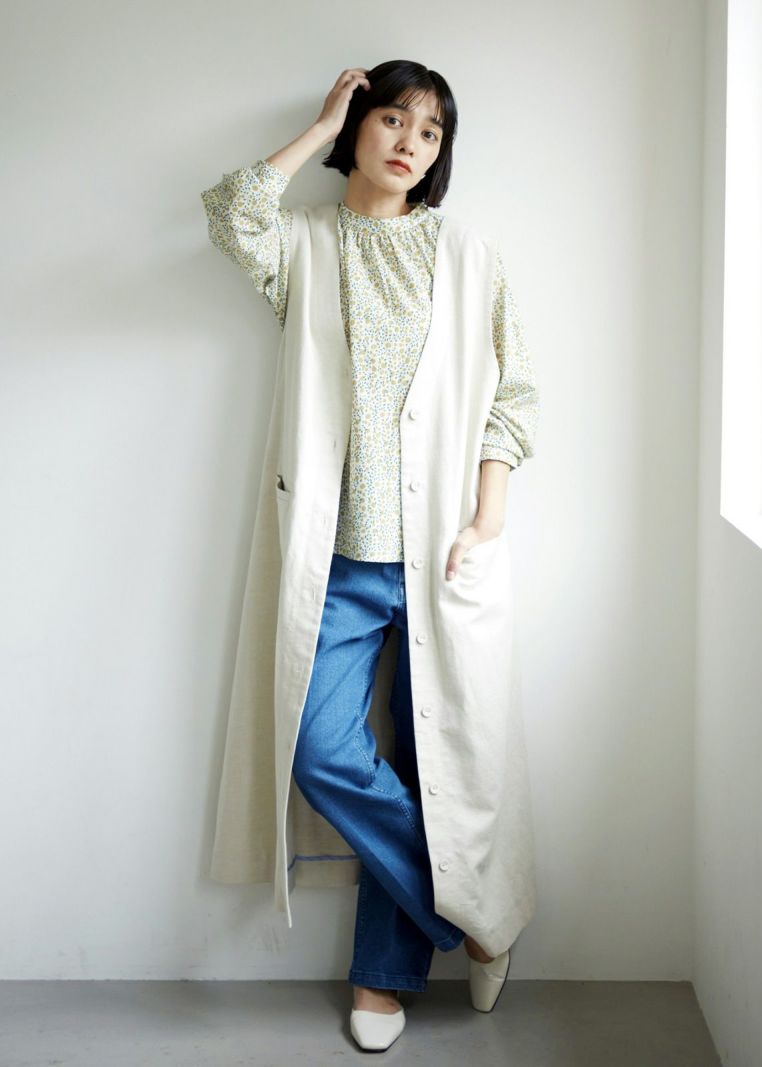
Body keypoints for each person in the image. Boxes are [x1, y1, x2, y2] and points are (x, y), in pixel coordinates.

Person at [201, 60, 540, 1052]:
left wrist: (485, 520)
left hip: (441, 559)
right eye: (390, 118)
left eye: (430, 132)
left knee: (435, 764)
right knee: (320, 751)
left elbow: (514, 395)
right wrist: (318, 125)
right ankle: (474, 916)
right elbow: (231, 213)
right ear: (357, 124)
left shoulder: (466, 255)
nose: (408, 142)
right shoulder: (305, 244)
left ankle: (383, 977)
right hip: (339, 561)